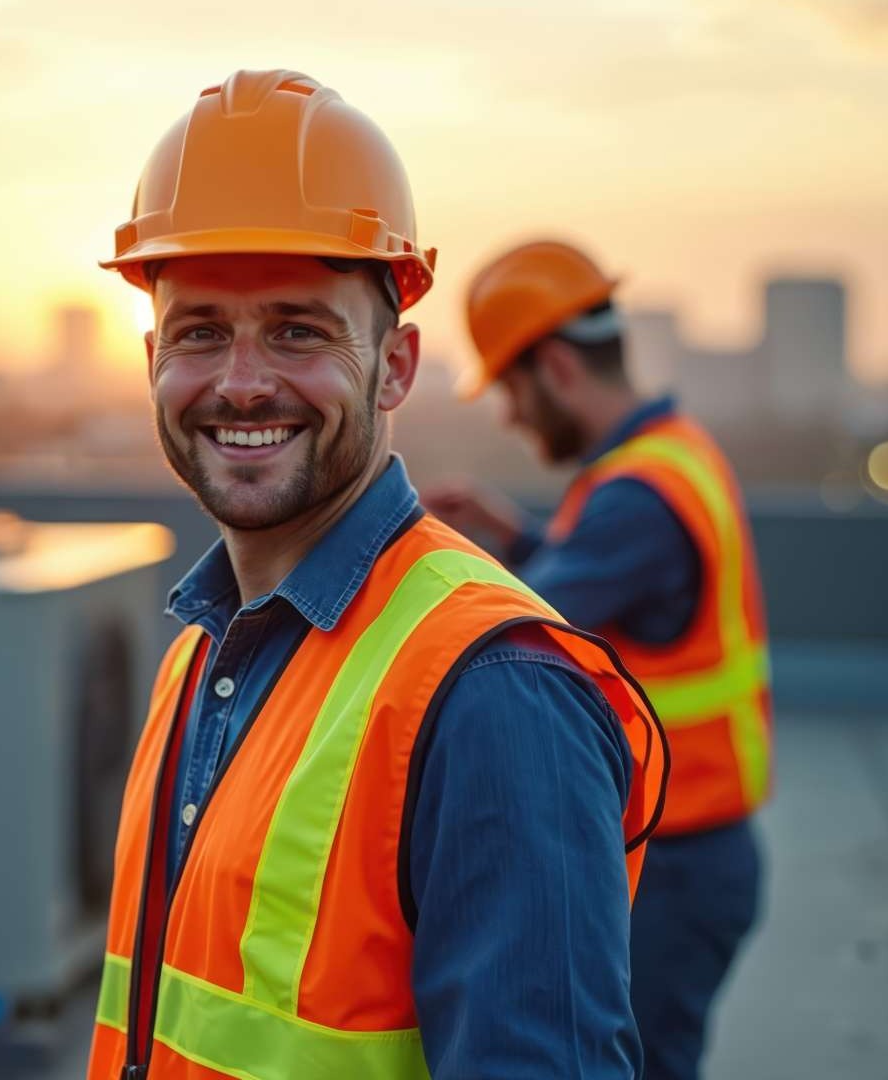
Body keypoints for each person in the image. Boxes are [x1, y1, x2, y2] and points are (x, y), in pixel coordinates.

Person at [86, 71, 668, 1080]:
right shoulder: (198, 656)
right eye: (200, 332)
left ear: (394, 366)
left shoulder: (493, 696)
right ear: (150, 361)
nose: (242, 381)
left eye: (298, 330)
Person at [424, 239, 772, 1080]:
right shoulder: (670, 455)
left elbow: (517, 629)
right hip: (703, 846)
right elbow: (627, 591)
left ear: (554, 367)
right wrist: (514, 529)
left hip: (678, 862)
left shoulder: (634, 498)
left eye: (510, 388)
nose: (509, 415)